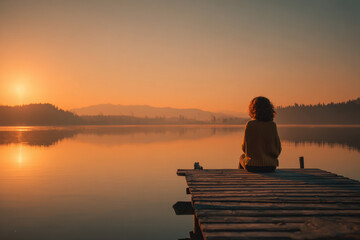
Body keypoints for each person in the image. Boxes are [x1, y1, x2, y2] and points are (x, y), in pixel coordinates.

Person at [239, 96, 281, 172]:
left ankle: (242, 180)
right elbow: (278, 149)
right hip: (270, 167)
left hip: (252, 166)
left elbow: (244, 148)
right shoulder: (272, 125)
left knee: (242, 157)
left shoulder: (250, 124)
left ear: (253, 109)